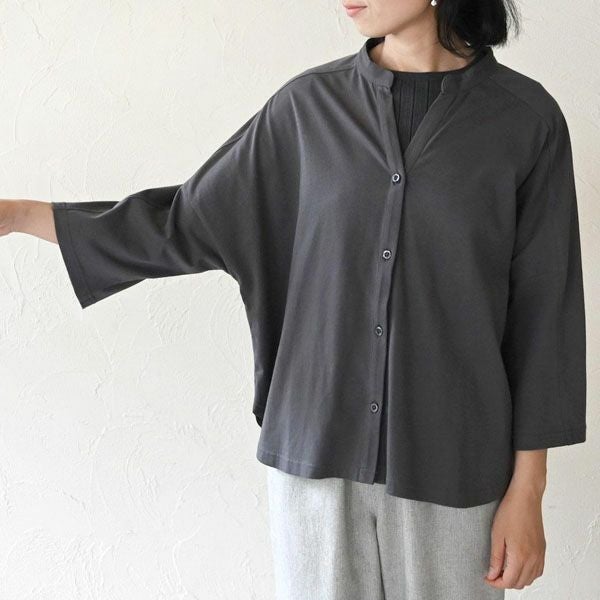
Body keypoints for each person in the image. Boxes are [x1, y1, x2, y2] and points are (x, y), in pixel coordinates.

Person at [0, 0, 587, 598]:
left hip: (455, 461)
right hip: (316, 452)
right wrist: (20, 215)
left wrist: (528, 489)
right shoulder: (308, 107)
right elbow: (187, 221)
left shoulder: (524, 120)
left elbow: (546, 314)